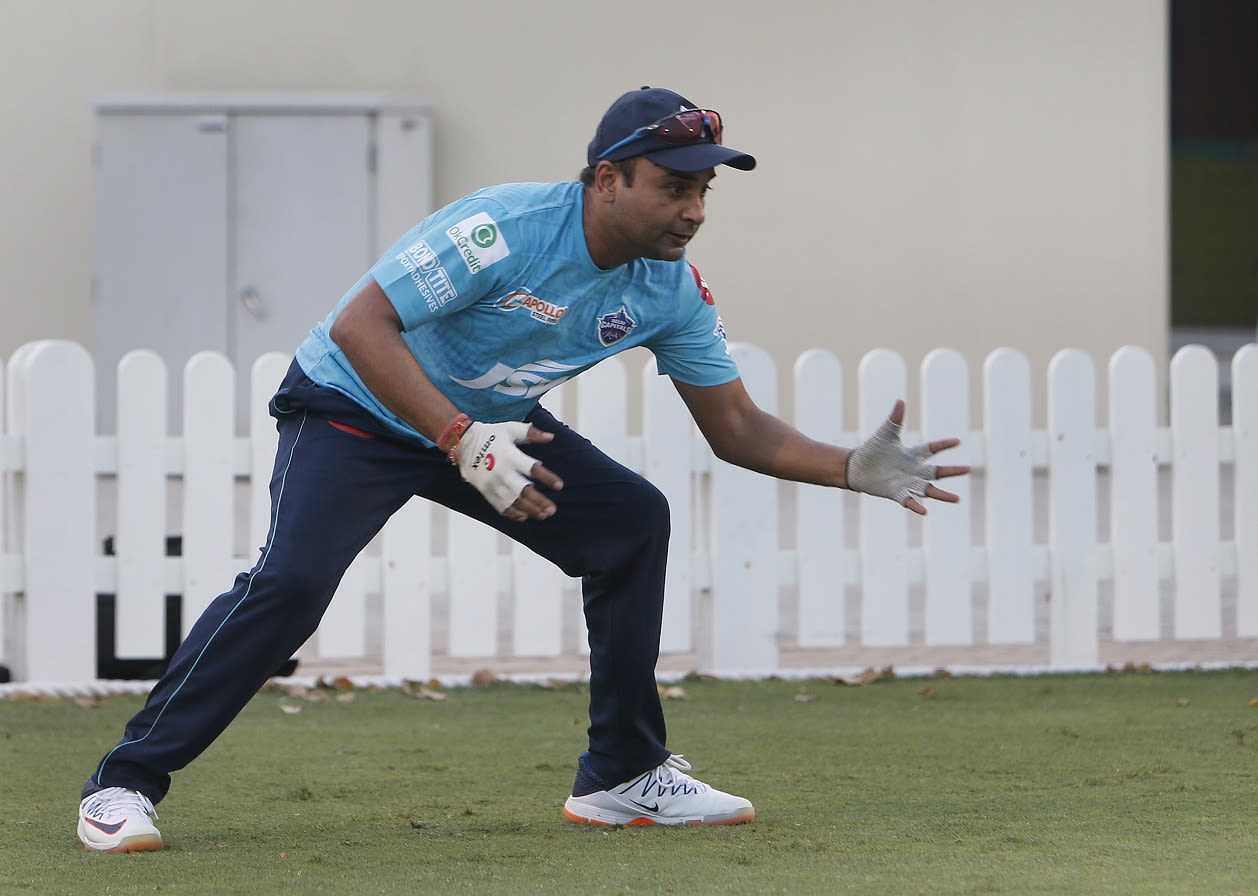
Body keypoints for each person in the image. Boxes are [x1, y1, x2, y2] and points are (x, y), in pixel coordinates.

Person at [76, 85, 970, 852]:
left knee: (629, 523)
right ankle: (123, 784)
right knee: (293, 583)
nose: (693, 210)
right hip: (357, 406)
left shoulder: (670, 287)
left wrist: (848, 466)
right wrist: (460, 436)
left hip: (487, 429)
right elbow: (360, 327)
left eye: (702, 191)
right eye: (673, 188)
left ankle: (621, 775)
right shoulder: (503, 227)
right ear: (607, 179)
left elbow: (735, 427)